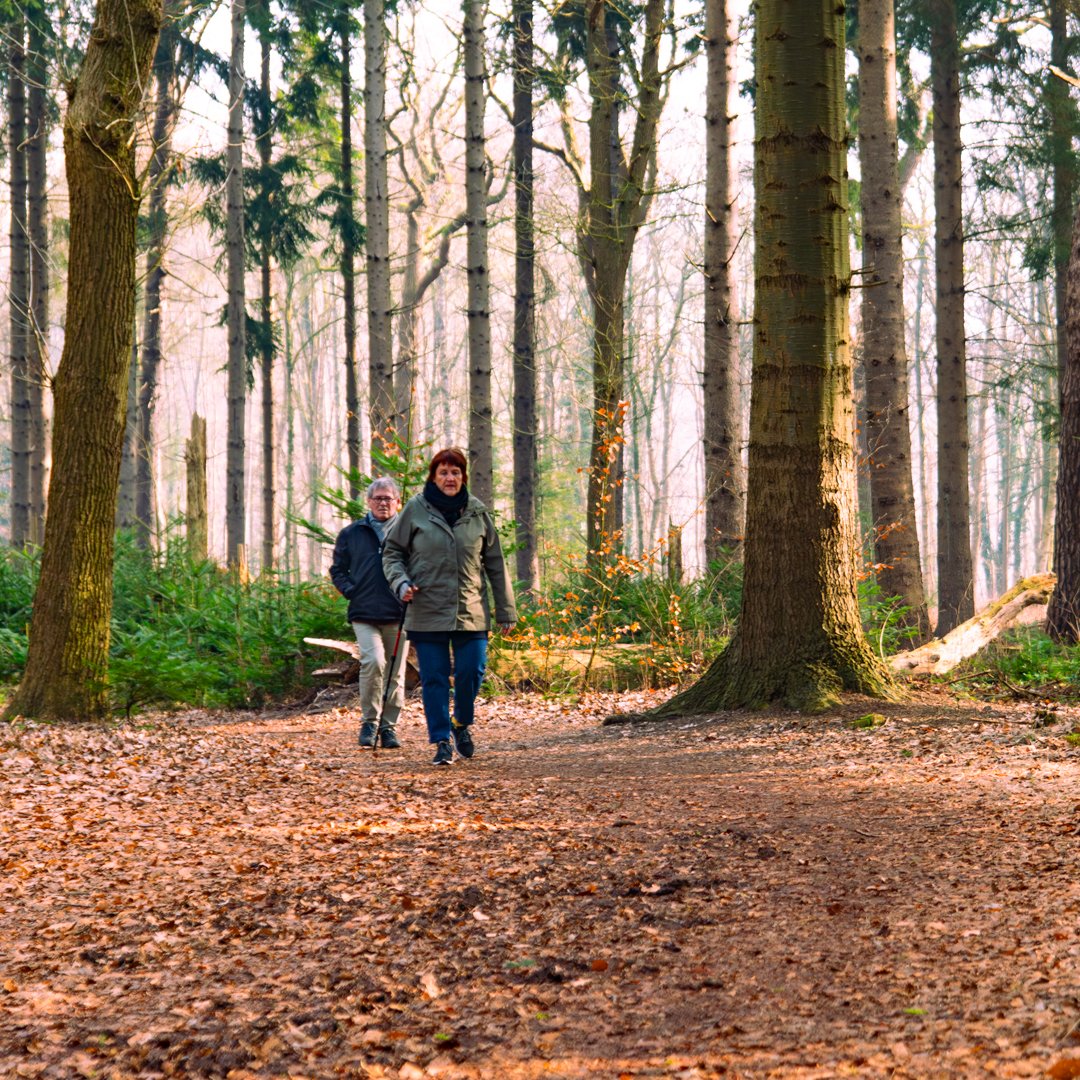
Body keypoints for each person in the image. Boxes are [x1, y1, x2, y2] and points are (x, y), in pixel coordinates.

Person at [382, 448, 517, 766]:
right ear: (433, 477)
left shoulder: (477, 512)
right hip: (427, 609)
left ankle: (461, 723)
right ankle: (441, 740)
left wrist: (506, 610)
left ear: (463, 476)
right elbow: (392, 553)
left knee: (473, 670)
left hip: (471, 609)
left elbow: (495, 563)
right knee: (435, 678)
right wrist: (401, 583)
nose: (450, 478)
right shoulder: (415, 510)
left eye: (455, 472)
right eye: (443, 472)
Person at [329, 478, 407, 750]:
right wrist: (353, 591)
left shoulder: (408, 532)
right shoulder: (352, 533)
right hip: (363, 612)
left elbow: (422, 566)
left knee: (395, 673)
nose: (383, 503)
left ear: (398, 502)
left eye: (388, 498)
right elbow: (338, 570)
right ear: (369, 502)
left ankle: (389, 728)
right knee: (373, 662)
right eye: (378, 498)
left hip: (399, 612)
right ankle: (369, 722)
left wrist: (412, 590)